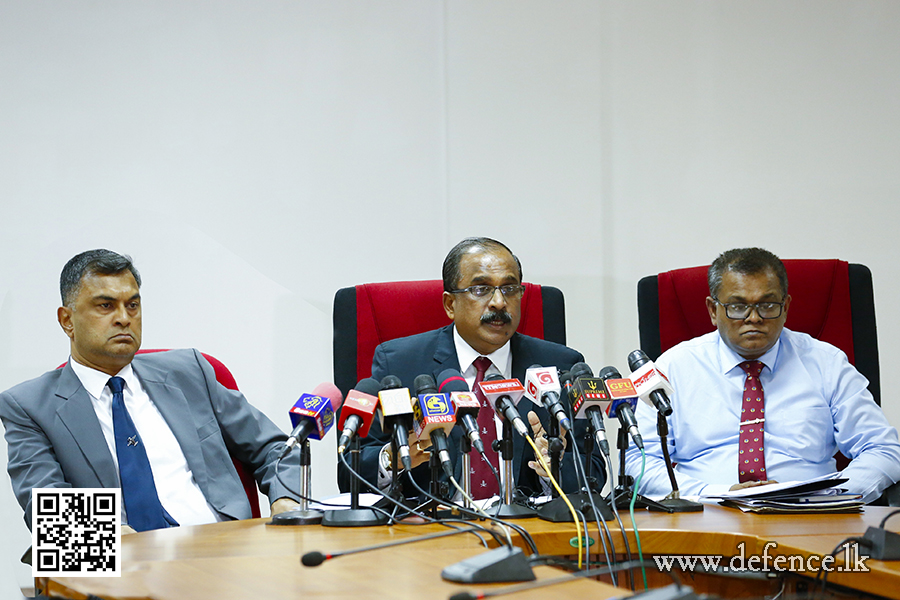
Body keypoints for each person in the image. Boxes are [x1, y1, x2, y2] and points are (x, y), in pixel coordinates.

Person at [0, 249, 302, 531]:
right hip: (119, 570)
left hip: (225, 551)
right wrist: (119, 544)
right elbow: (48, 508)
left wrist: (285, 499)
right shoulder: (29, 406)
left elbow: (277, 448)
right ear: (67, 320)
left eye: (132, 305)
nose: (123, 318)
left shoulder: (189, 372)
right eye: (106, 306)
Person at [625, 248, 900, 503]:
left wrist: (827, 497)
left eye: (767, 305)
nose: (753, 318)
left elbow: (884, 451)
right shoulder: (674, 366)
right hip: (706, 514)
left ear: (786, 306)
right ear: (712, 310)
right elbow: (639, 461)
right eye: (737, 306)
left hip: (810, 517)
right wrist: (715, 495)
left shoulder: (826, 363)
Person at [342, 237, 604, 500]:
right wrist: (392, 458)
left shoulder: (559, 366)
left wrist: (553, 468)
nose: (499, 302)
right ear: (449, 304)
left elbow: (594, 472)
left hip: (529, 529)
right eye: (481, 289)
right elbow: (350, 472)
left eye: (510, 288)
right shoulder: (399, 364)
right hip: (433, 531)